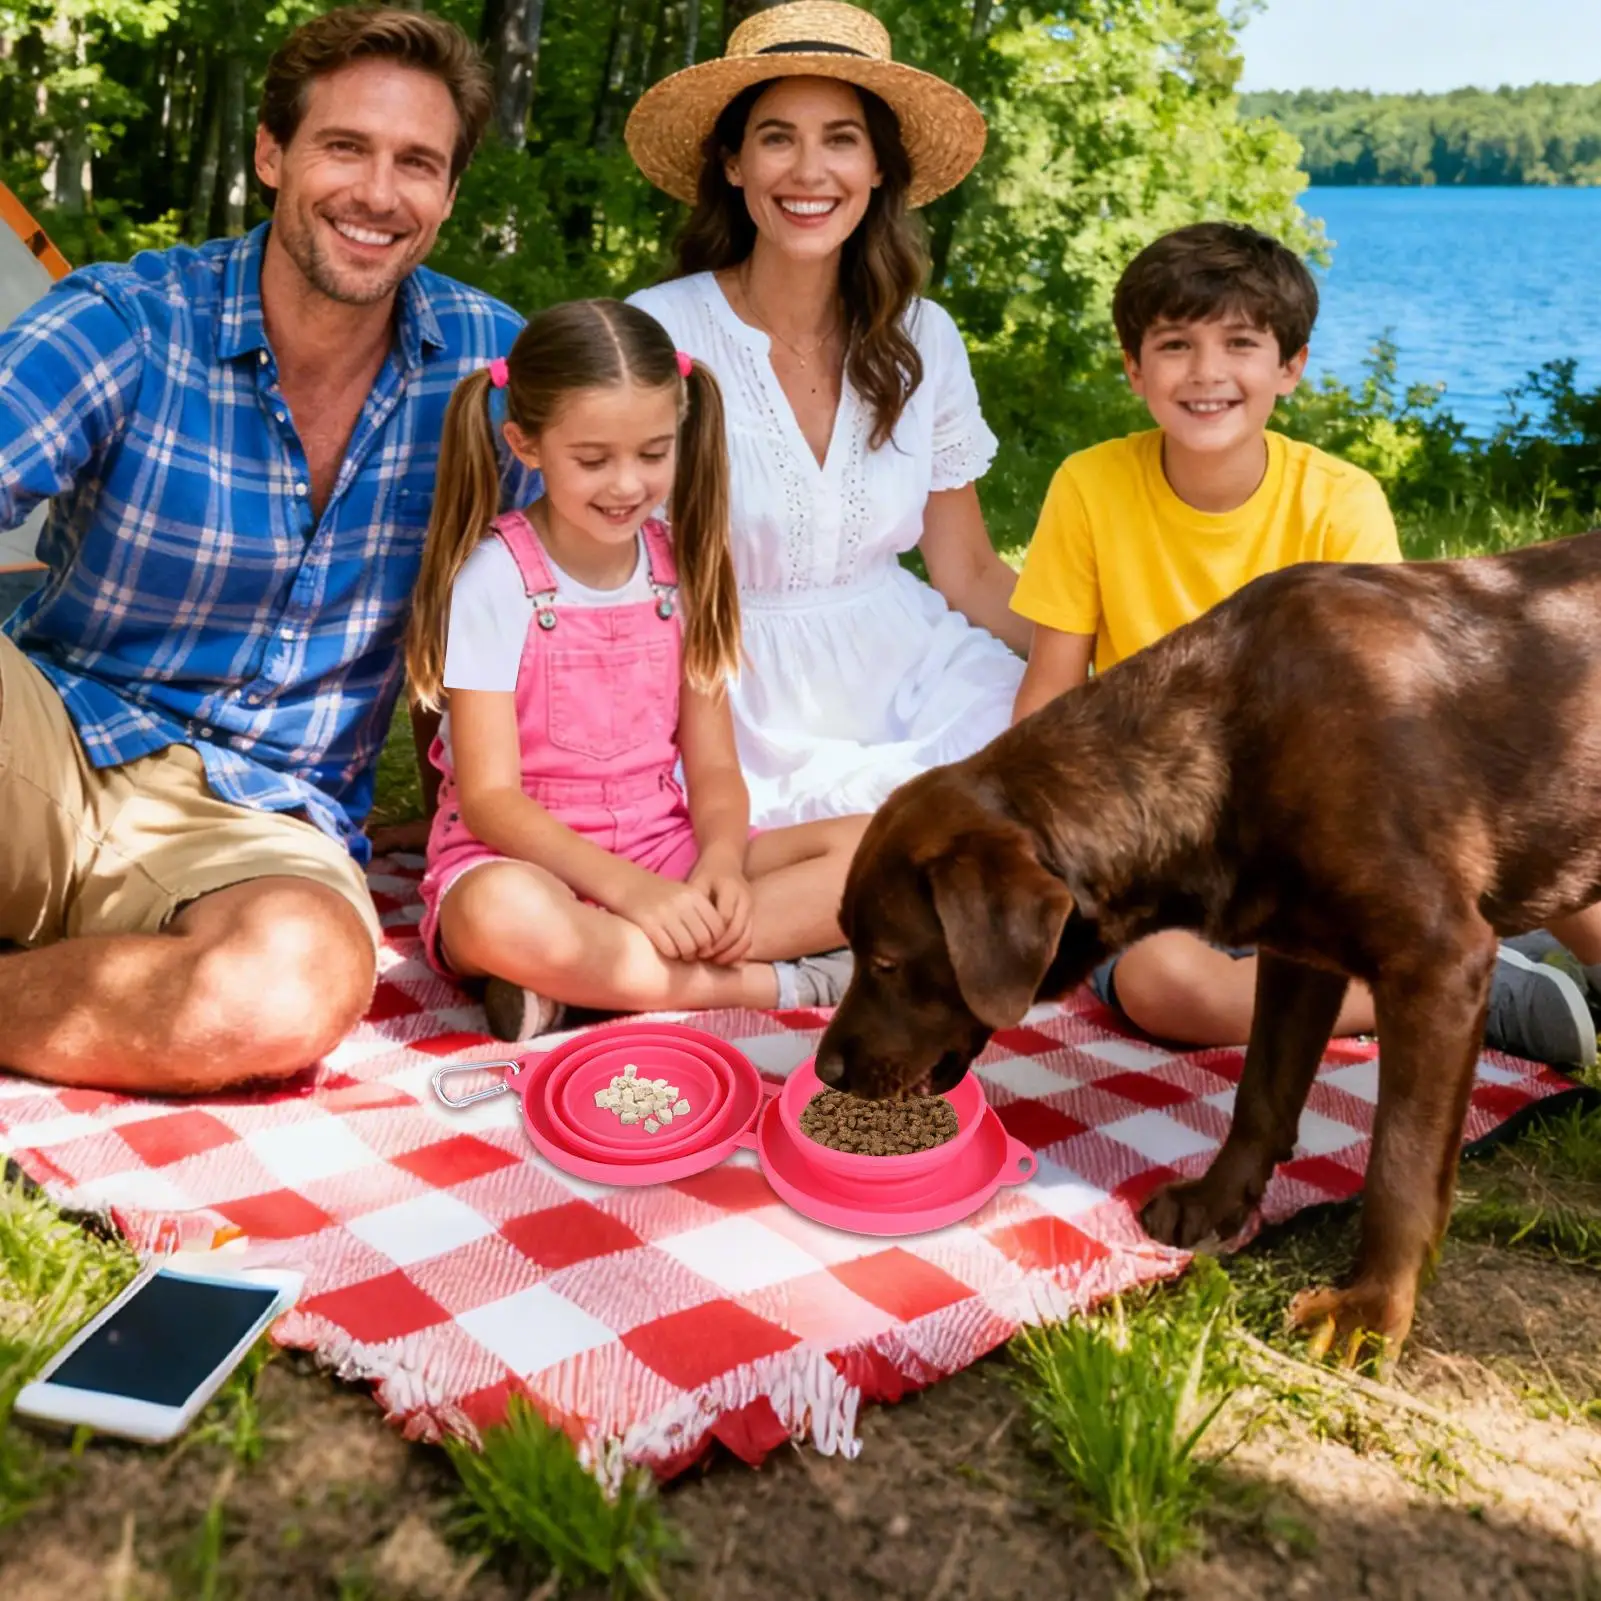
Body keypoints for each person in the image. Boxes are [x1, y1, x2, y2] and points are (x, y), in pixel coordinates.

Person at [0, 7, 531, 1094]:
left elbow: (590, 587)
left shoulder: (490, 368)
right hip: (51, 741)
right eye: (345, 147)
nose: (378, 194)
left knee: (292, 986)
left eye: (416, 163)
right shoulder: (131, 319)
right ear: (272, 154)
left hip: (262, 825)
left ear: (448, 193)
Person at [1008, 220, 1596, 1070]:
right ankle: (1458, 984)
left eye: (1239, 343)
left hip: (1321, 815)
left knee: (1522, 795)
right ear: (1134, 367)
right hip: (1163, 836)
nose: (1206, 373)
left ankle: (1561, 951)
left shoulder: (1339, 500)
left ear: (1289, 367)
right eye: (1174, 345)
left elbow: (1385, 716)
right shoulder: (1089, 486)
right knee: (1162, 987)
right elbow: (1049, 694)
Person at [408, 299, 863, 1043]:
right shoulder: (493, 579)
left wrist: (717, 862)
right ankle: (778, 980)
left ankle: (588, 983)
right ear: (525, 445)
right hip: (524, 859)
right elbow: (490, 800)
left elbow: (713, 765)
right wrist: (634, 894)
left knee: (878, 850)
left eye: (653, 454)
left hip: (662, 844)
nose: (626, 483)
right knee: (499, 916)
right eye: (592, 460)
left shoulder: (681, 568)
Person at [621, 0, 1029, 828]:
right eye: (777, 137)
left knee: (1053, 749)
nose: (810, 171)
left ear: (878, 168)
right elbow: (607, 562)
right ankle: (798, 952)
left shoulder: (923, 337)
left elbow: (970, 573)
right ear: (733, 165)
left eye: (841, 138)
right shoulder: (661, 331)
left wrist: (1117, 650)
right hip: (719, 691)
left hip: (904, 669)